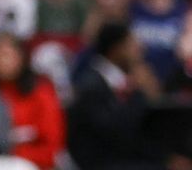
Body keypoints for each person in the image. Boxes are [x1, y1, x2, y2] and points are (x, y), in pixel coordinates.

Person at [67, 23, 163, 170]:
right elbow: (115, 134)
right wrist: (139, 93)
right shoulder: (91, 85)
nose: (140, 48)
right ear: (116, 49)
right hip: (103, 162)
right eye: (132, 43)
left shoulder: (124, 80)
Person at [0, 34, 64, 170]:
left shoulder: (42, 93)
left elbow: (52, 147)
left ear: (22, 58)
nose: (4, 62)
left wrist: (16, 155)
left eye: (9, 56)